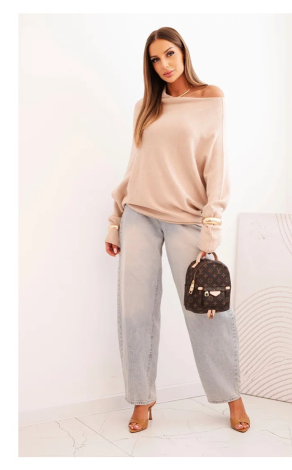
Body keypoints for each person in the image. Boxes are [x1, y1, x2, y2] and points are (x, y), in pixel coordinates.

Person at [104, 27, 250, 434]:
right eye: (155, 59)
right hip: (139, 216)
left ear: (183, 52)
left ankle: (232, 396)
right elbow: (135, 167)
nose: (164, 65)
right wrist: (115, 221)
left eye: (169, 54)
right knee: (135, 311)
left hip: (186, 218)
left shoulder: (210, 98)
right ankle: (142, 398)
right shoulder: (146, 107)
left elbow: (216, 165)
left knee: (206, 310)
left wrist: (211, 228)